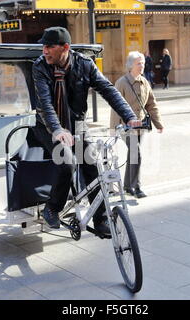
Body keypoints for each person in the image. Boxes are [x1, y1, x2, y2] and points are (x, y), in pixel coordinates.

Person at [31, 27, 140, 233]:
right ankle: (52, 208)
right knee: (68, 162)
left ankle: (100, 220)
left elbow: (109, 90)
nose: (44, 51)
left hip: (77, 125)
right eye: (43, 46)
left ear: (65, 47)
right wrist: (57, 130)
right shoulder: (40, 67)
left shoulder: (84, 64)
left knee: (92, 162)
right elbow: (45, 104)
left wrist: (130, 116)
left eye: (49, 47)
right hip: (48, 127)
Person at [110, 51, 164, 199]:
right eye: (139, 63)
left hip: (140, 127)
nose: (142, 66)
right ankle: (137, 186)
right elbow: (115, 106)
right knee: (136, 154)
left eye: (143, 63)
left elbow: (151, 104)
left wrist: (158, 123)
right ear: (130, 65)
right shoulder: (121, 82)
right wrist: (113, 129)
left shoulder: (145, 82)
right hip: (125, 127)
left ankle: (128, 186)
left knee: (133, 155)